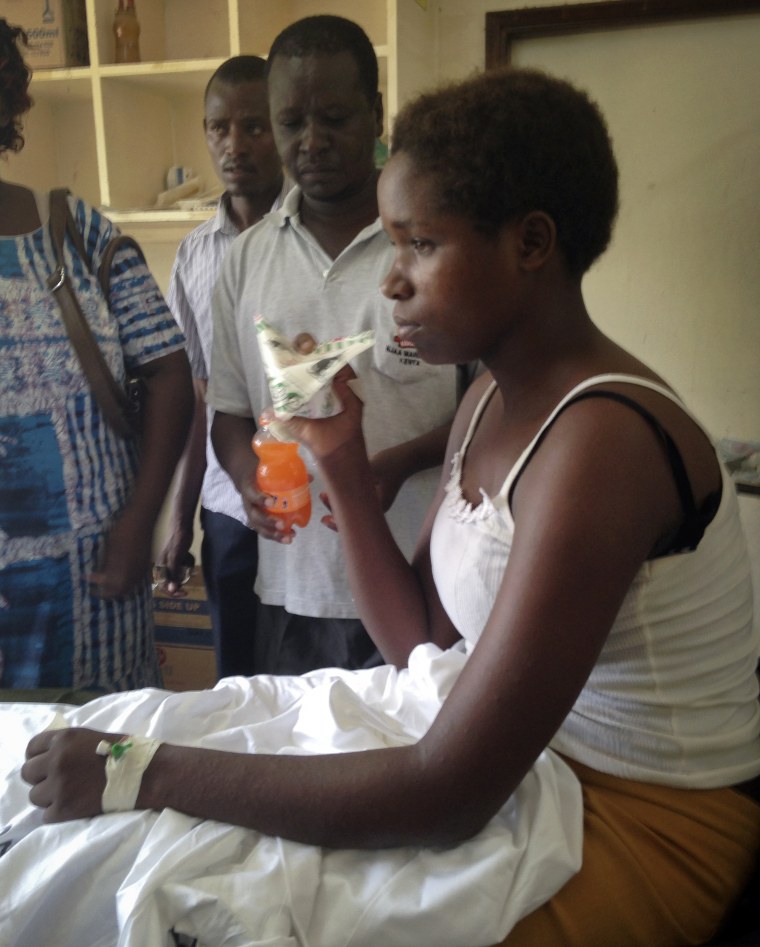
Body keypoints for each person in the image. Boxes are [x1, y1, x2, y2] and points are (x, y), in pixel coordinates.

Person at [16, 65, 760, 946]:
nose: (392, 283)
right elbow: (420, 646)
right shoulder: (488, 401)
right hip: (529, 767)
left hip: (642, 817)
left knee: (206, 887)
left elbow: (446, 794)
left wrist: (144, 771)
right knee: (139, 851)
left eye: (418, 246)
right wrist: (337, 462)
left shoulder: (601, 444)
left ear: (531, 244)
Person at [207, 15, 468, 674]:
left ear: (376, 112)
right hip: (292, 590)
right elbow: (232, 411)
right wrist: (247, 481)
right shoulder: (244, 261)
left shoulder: (433, 247)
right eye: (291, 122)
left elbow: (491, 409)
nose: (312, 141)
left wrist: (398, 462)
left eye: (335, 118)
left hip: (423, 580)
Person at [0, 19, 194, 692]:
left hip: (95, 592)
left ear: (10, 101)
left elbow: (170, 372)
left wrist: (143, 521)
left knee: (105, 768)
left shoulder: (76, 233)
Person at [156, 55, 288, 678]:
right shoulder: (194, 255)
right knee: (237, 679)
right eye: (219, 128)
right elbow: (194, 394)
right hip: (227, 509)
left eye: (255, 126)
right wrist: (180, 520)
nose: (234, 145)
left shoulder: (313, 235)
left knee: (315, 682)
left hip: (315, 503)